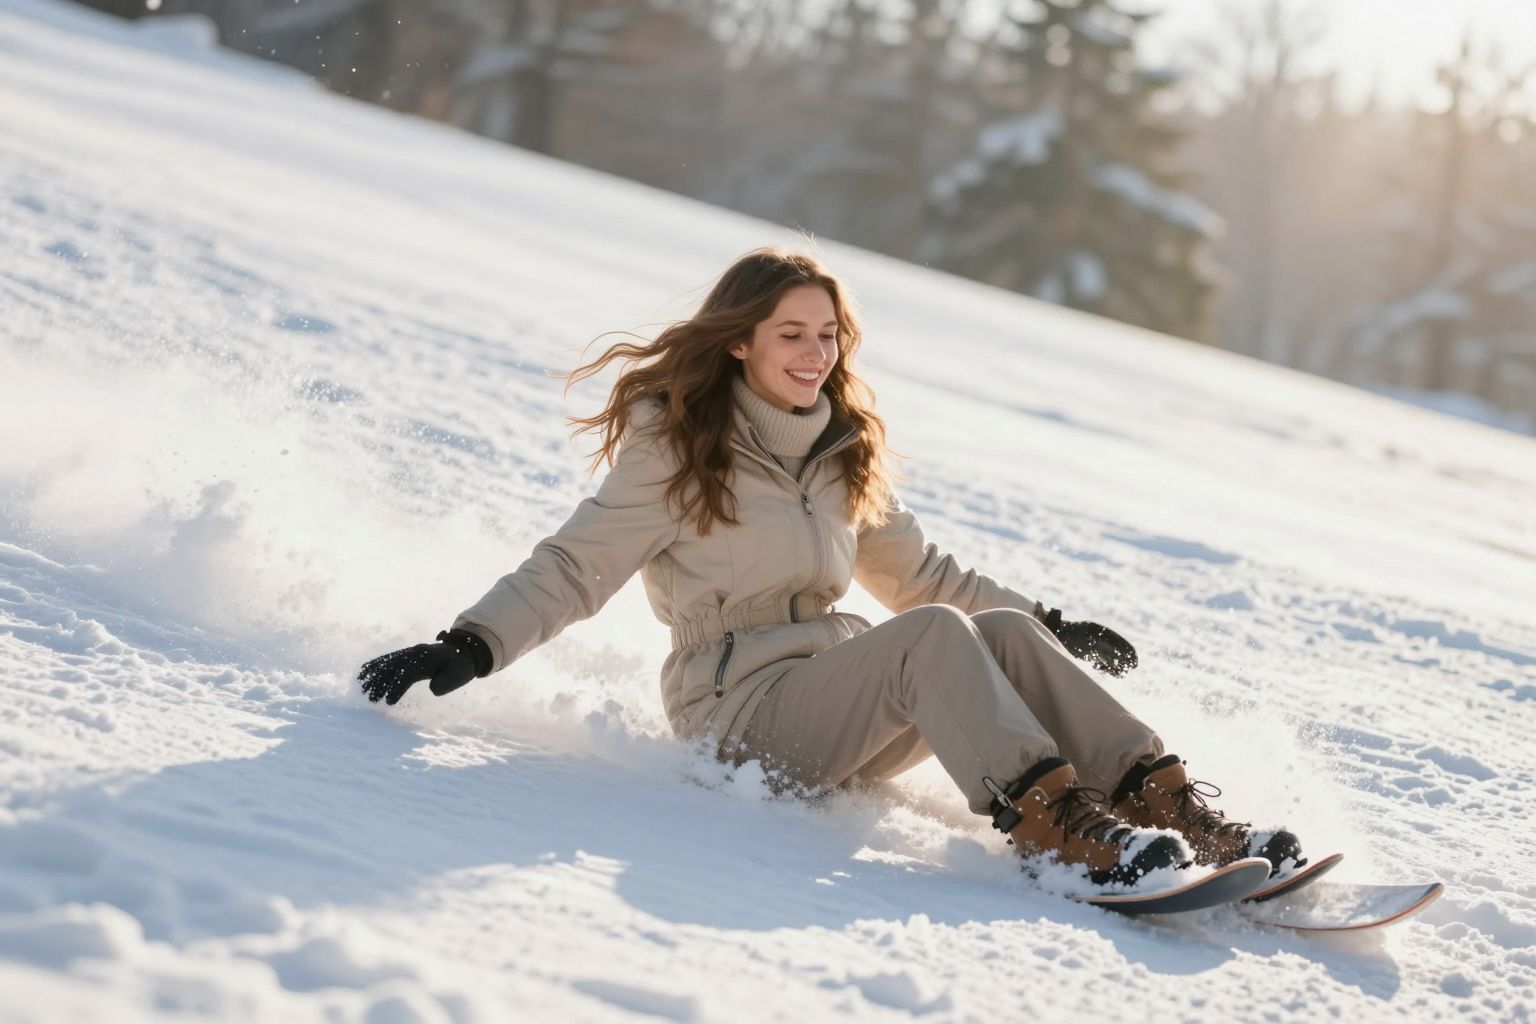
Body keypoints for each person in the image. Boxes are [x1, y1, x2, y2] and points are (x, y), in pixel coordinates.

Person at [358, 245, 1301, 890]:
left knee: (993, 632)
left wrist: (1050, 626)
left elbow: (928, 576)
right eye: (793, 335)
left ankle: (1172, 812)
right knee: (931, 640)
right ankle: (1059, 834)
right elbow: (575, 564)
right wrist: (470, 644)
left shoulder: (843, 451)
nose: (818, 354)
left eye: (829, 334)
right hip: (737, 715)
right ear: (741, 341)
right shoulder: (680, 447)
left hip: (840, 698)